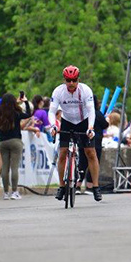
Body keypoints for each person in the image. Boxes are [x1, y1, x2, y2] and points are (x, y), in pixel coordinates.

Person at [49, 65, 102, 202]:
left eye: (74, 80)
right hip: (67, 121)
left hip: (83, 121)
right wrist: (53, 126)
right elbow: (51, 111)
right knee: (62, 153)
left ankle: (95, 187)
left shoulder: (85, 90)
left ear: (78, 79)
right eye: (68, 80)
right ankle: (62, 186)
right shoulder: (58, 91)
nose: (71, 83)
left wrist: (90, 127)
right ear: (64, 80)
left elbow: (91, 110)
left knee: (90, 152)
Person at [0, 93, 33, 200]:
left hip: (3, 142)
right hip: (15, 141)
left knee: (5, 167)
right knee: (14, 167)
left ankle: (6, 192)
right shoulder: (16, 113)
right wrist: (25, 101)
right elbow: (28, 114)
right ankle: (14, 192)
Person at [77, 93, 109, 193]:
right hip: (96, 142)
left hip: (82, 140)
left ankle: (77, 185)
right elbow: (105, 125)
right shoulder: (98, 114)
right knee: (93, 162)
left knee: (82, 163)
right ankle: (90, 186)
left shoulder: (82, 114)